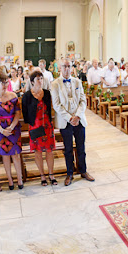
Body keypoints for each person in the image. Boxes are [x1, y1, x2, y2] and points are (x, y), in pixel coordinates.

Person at [51, 58, 94, 186]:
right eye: (64, 66)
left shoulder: (77, 82)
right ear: (60, 68)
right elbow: (57, 105)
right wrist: (70, 118)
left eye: (69, 66)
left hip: (79, 120)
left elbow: (83, 101)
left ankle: (83, 171)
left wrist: (78, 116)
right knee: (68, 149)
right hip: (65, 122)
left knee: (81, 147)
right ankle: (69, 173)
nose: (67, 69)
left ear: (72, 68)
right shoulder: (55, 84)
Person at [22, 70, 58, 186]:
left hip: (47, 126)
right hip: (35, 126)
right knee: (37, 152)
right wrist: (33, 124)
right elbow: (25, 113)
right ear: (32, 82)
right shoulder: (27, 96)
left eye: (41, 78)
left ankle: (51, 174)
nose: (40, 81)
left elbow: (49, 109)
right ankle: (42, 175)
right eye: (38, 79)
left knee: (49, 151)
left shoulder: (47, 93)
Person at [0, 70, 23, 190]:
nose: (4, 85)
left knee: (15, 154)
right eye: (1, 83)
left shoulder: (13, 96)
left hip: (13, 128)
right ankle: (10, 180)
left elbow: (18, 113)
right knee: (5, 156)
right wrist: (2, 130)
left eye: (6, 82)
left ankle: (19, 179)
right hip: (0, 130)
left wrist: (12, 126)